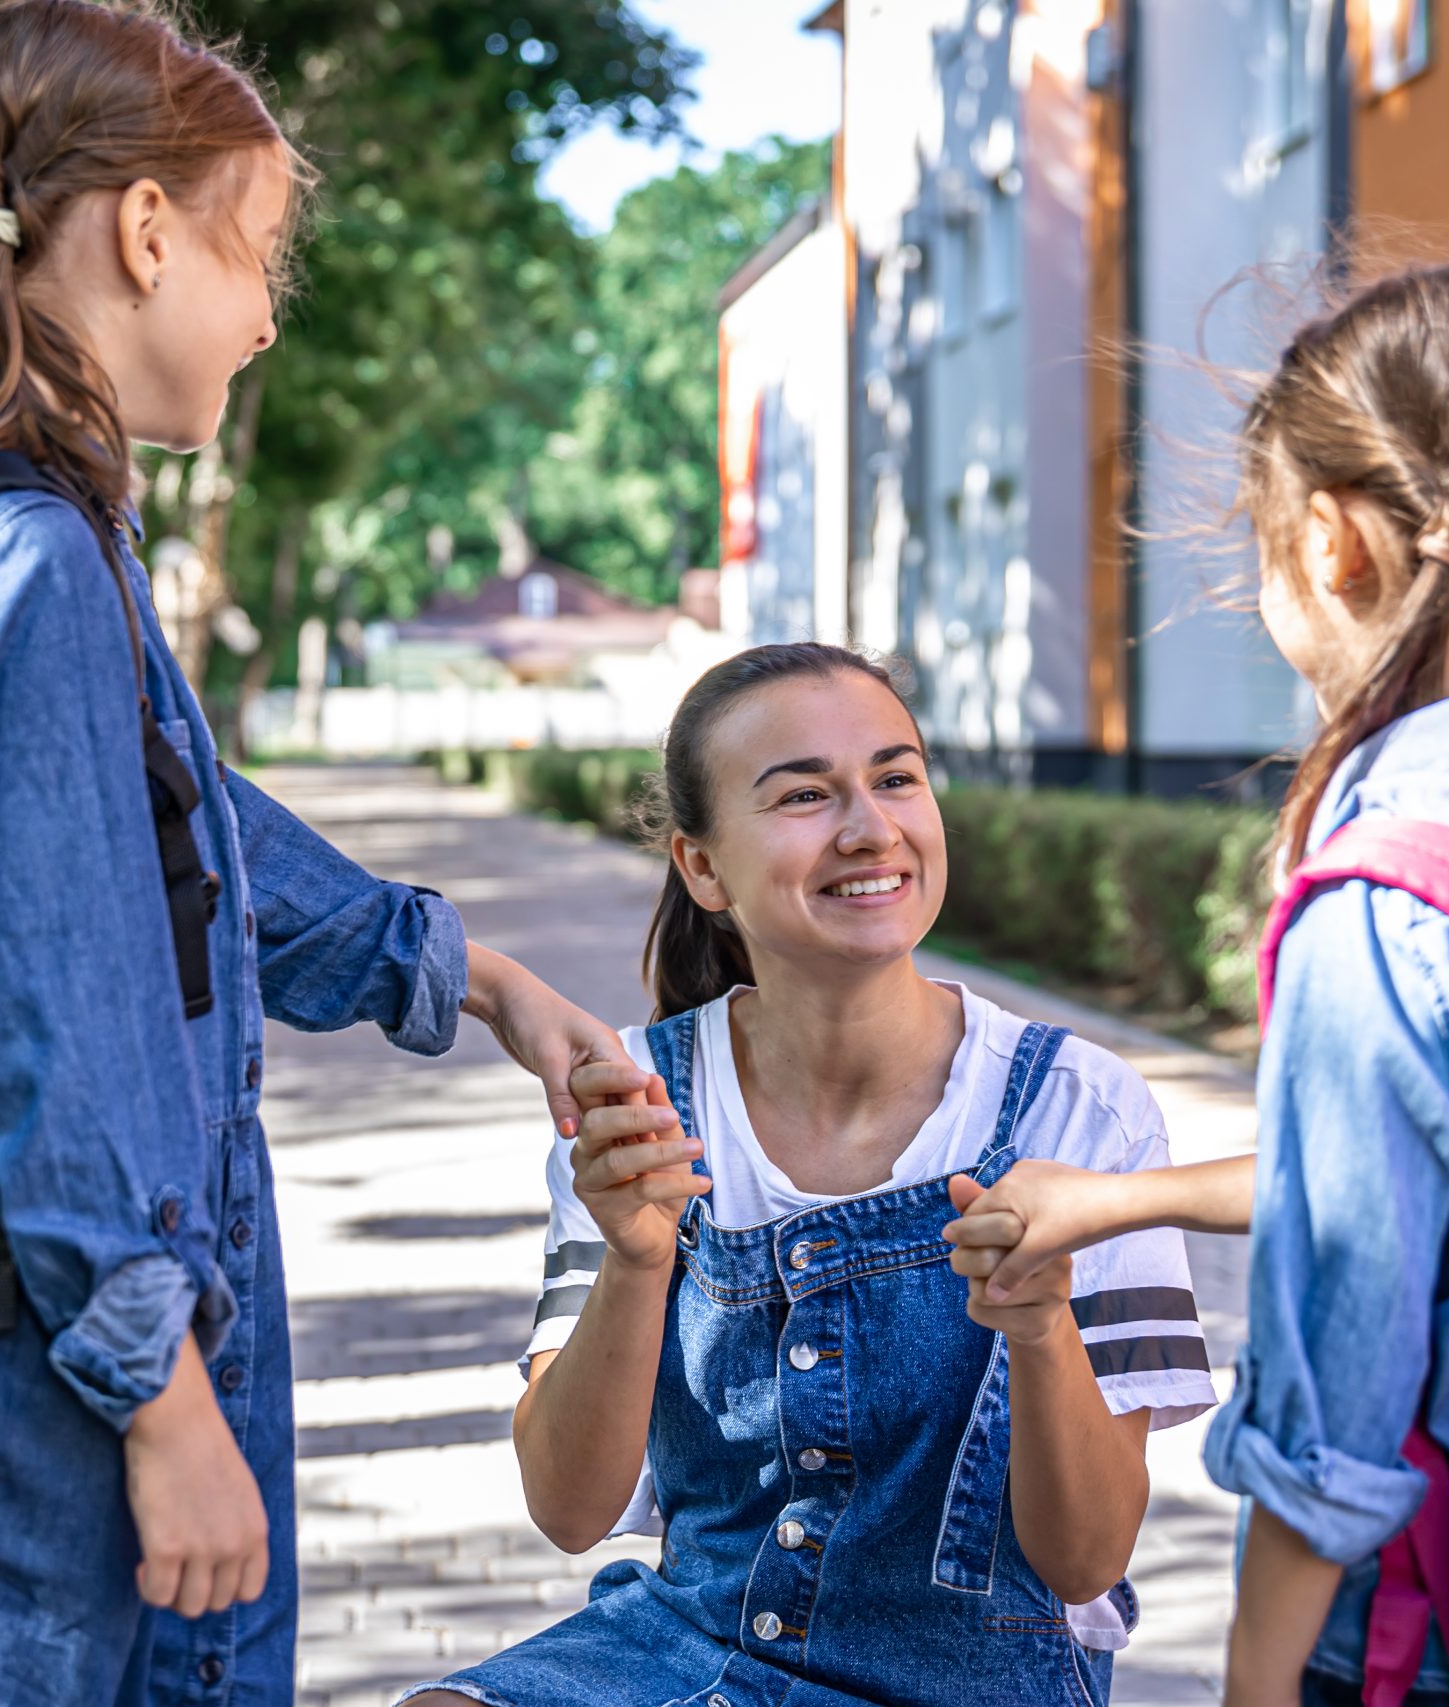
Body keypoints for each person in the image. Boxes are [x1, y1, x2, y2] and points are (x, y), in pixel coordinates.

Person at [0, 5, 628, 1702]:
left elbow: (178, 829)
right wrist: (164, 1406)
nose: (269, 316)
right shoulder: (25, 566)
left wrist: (479, 977)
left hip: (7, 1338)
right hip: (55, 1384)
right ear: (148, 232)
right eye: (260, 255)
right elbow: (55, 1023)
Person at [944, 262, 1449, 1707]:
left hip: (1443, 1626)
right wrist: (1116, 1200)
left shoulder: (1384, 903)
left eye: (1259, 547)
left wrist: (1253, 1681)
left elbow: (1335, 1423)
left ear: (1330, 541)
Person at [402, 643, 1216, 1707]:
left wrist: (1040, 1329)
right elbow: (568, 1508)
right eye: (803, 795)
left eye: (895, 777)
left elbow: (1086, 1560)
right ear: (702, 867)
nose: (870, 828)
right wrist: (638, 1263)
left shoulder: (1079, 1109)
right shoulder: (634, 1100)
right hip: (695, 1639)